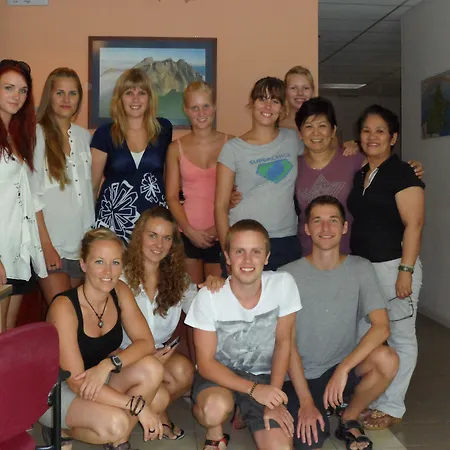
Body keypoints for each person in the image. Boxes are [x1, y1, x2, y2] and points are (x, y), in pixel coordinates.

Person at [281, 196, 399, 450]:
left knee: (387, 359)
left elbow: (382, 326)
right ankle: (316, 405)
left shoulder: (360, 268)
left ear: (344, 227)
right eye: (317, 221)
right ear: (307, 229)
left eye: (333, 220)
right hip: (301, 375)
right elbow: (285, 344)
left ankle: (349, 417)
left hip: (340, 369)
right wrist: (306, 402)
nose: (326, 228)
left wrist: (343, 369)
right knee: (309, 443)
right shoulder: (287, 275)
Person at [40, 227, 168, 449]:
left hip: (96, 379)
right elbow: (77, 381)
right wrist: (137, 406)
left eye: (115, 262)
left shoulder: (120, 291)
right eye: (99, 262)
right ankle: (61, 429)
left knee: (153, 369)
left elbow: (146, 342)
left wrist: (108, 364)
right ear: (83, 264)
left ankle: (117, 442)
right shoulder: (64, 307)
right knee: (117, 422)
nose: (108, 271)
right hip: (57, 390)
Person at [185, 219, 301, 450]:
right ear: (227, 257)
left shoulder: (283, 284)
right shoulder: (209, 297)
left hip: (264, 377)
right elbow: (205, 364)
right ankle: (214, 433)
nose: (247, 260)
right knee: (213, 410)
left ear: (267, 257)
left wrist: (273, 396)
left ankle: (244, 409)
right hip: (220, 376)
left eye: (256, 252)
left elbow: (283, 343)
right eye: (239, 251)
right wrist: (253, 390)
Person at [348, 105, 425, 430]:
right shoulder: (361, 173)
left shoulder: (403, 173)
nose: (372, 136)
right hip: (363, 269)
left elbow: (414, 224)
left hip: (394, 267)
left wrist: (405, 271)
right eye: (366, 130)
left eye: (380, 131)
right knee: (367, 335)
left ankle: (392, 405)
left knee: (401, 338)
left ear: (393, 137)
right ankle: (372, 394)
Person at [295, 97, 424, 256]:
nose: (316, 133)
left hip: (350, 254)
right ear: (300, 133)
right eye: (308, 126)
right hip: (308, 253)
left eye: (322, 125)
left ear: (333, 130)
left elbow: (385, 167)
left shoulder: (354, 160)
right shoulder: (294, 166)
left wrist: (410, 168)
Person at [120, 206, 197, 440]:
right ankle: (149, 415)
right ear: (139, 236)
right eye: (152, 235)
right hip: (122, 356)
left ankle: (144, 409)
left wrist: (216, 286)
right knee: (160, 396)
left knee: (184, 372)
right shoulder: (120, 275)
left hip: (159, 356)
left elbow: (201, 307)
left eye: (167, 238)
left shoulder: (178, 279)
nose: (159, 244)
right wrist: (143, 357)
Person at [215, 77, 303, 270]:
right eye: (262, 99)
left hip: (285, 239)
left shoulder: (293, 140)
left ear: (282, 108)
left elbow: (322, 153)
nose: (268, 106)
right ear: (252, 103)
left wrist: (351, 146)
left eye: (275, 101)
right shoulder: (232, 149)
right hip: (244, 240)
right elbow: (220, 207)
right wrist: (227, 252)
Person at [30, 67, 94, 305]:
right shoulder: (35, 136)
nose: (66, 99)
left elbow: (91, 191)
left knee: (76, 314)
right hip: (52, 245)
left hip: (82, 247)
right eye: (60, 93)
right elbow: (32, 197)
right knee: (62, 312)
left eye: (73, 93)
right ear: (49, 95)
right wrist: (46, 246)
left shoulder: (84, 137)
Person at [91, 68, 172, 243]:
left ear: (150, 98)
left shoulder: (164, 130)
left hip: (154, 224)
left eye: (142, 93)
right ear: (119, 98)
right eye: (129, 93)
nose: (136, 99)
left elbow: (170, 177)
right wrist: (88, 226)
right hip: (112, 222)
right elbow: (93, 186)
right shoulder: (104, 134)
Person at [0, 59, 47, 331]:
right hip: (1, 250)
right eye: (8, 88)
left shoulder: (18, 135)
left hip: (17, 248)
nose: (16, 96)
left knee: (8, 333)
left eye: (23, 90)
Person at [166, 81, 226, 284]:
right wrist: (189, 231)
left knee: (217, 295)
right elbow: (172, 197)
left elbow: (237, 194)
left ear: (214, 107)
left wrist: (216, 228)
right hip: (187, 234)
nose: (201, 113)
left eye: (206, 106)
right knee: (189, 297)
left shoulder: (231, 144)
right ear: (186, 110)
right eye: (195, 107)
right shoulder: (175, 148)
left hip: (222, 232)